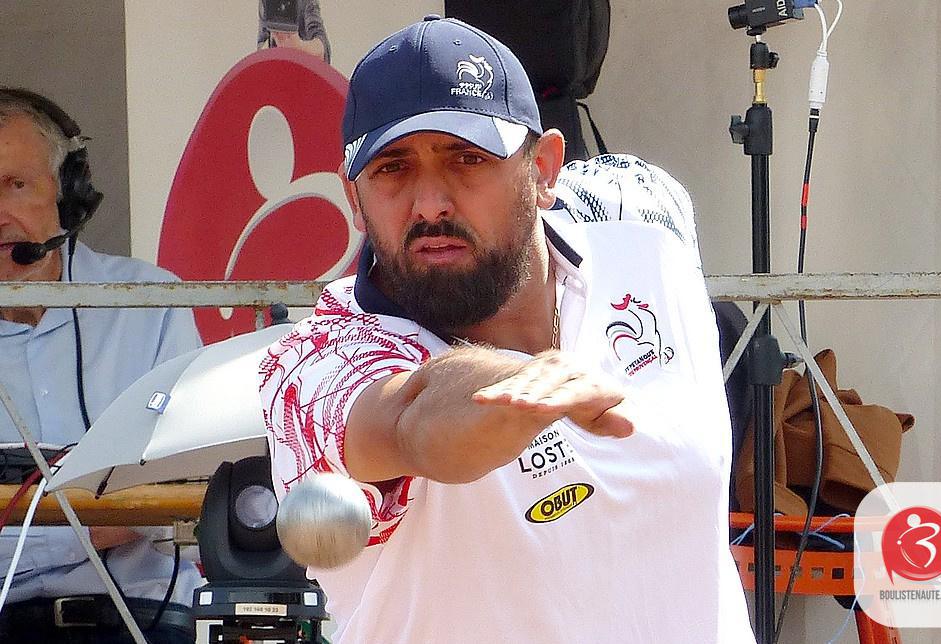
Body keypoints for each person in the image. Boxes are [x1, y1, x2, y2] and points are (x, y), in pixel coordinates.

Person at [260, 15, 755, 643]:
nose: (430, 202)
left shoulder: (649, 235)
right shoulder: (317, 360)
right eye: (392, 169)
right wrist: (523, 381)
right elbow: (413, 417)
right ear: (354, 199)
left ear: (545, 168)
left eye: (468, 158)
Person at [0, 88, 203, 643]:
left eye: (16, 185)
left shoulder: (148, 301)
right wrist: (92, 516)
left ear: (68, 194)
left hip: (142, 616)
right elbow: (129, 507)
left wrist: (20, 528)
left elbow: (172, 485)